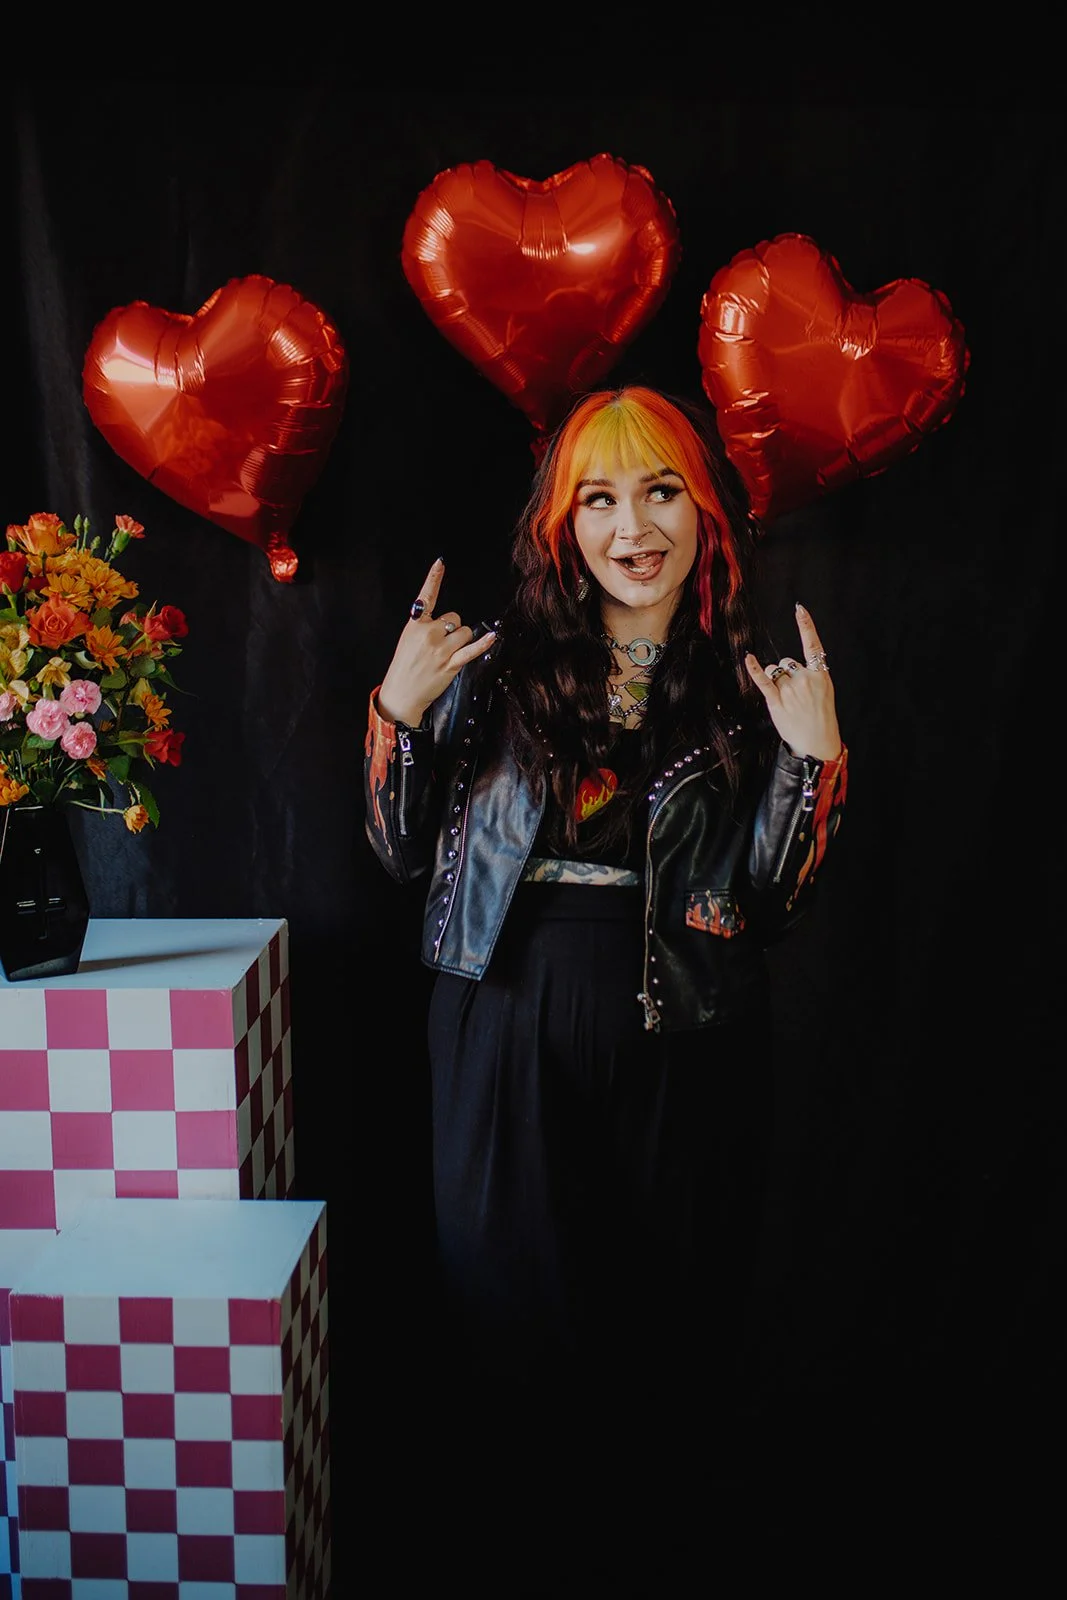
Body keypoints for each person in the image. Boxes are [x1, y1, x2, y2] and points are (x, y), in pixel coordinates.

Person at [363, 384, 847, 1524]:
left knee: (671, 1330)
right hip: (505, 1010)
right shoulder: (492, 672)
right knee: (509, 1319)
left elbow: (773, 906)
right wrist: (395, 710)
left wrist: (810, 765)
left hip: (690, 1026)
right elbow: (396, 857)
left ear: (701, 510)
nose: (633, 527)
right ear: (563, 528)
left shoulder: (746, 692)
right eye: (600, 499)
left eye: (661, 491)